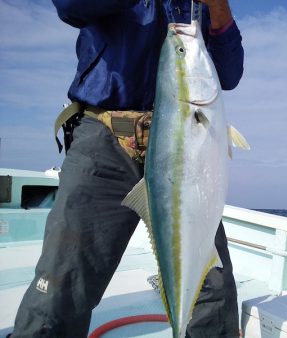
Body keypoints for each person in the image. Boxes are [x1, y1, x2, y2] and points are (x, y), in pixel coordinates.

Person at [11, 0, 244, 337]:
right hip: (104, 140)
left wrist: (219, 8)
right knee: (64, 278)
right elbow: (71, 6)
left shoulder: (195, 7)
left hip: (185, 151)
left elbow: (230, 74)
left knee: (214, 289)